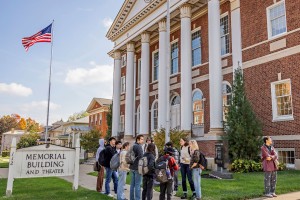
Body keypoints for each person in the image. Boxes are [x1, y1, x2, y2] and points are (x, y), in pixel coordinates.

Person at [130, 135, 144, 200]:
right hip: (137, 168)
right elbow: (141, 157)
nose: (142, 140)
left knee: (132, 185)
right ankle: (137, 199)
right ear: (137, 140)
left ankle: (132, 198)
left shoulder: (133, 146)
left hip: (132, 167)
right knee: (138, 185)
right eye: (141, 139)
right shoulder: (139, 147)